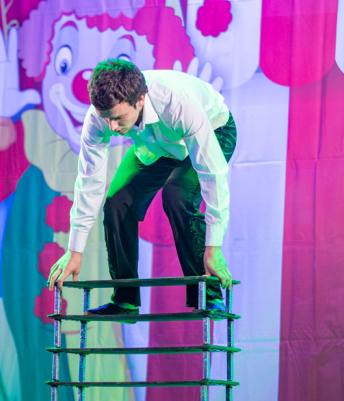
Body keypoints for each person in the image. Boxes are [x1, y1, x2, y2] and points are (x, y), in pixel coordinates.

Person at [47, 59, 236, 315]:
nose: (113, 128)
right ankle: (125, 300)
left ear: (140, 100)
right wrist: (74, 250)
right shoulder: (98, 118)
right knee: (116, 202)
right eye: (107, 119)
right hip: (157, 144)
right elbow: (89, 181)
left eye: (119, 118)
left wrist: (214, 248)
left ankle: (207, 293)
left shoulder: (177, 103)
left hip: (215, 130)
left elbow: (213, 174)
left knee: (177, 195)